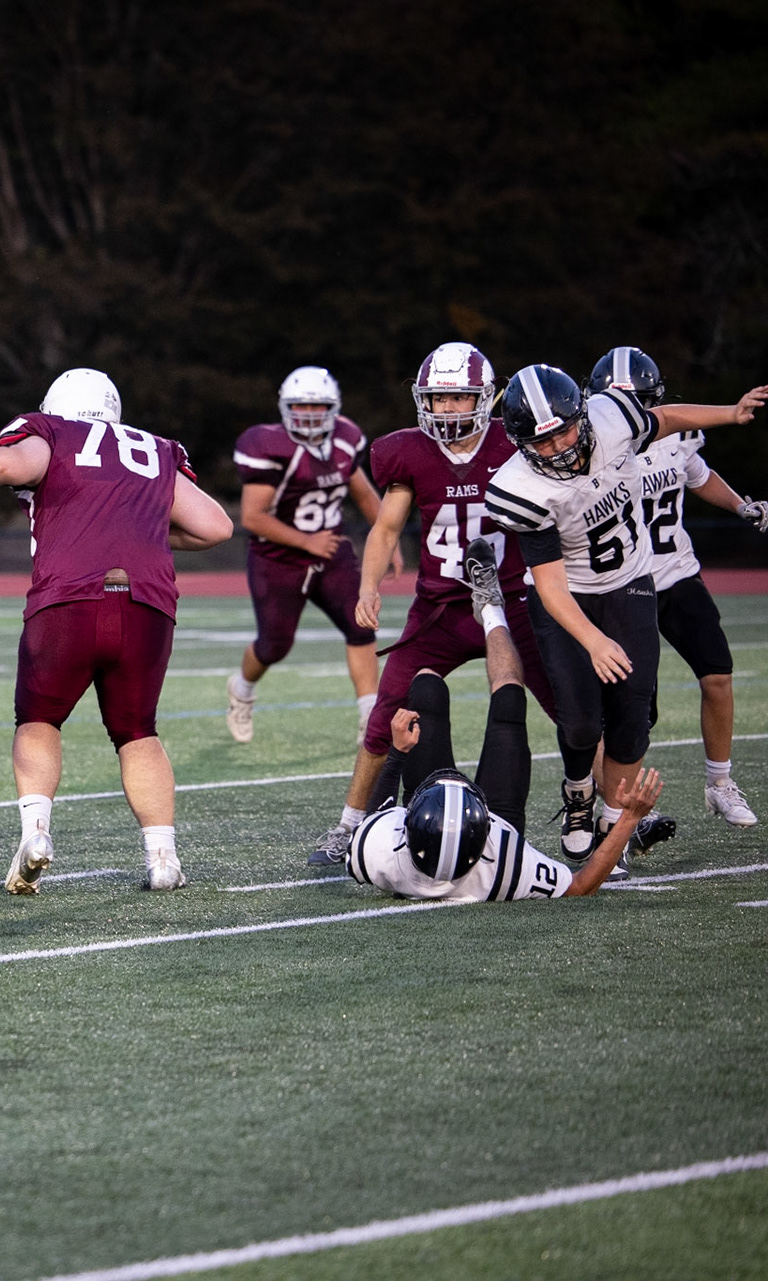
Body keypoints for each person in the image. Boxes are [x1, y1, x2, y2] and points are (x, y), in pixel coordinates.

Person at [0, 367, 234, 894]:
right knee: (138, 731)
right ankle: (163, 857)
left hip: (71, 599)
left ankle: (35, 834)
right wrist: (144, 531)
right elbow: (216, 526)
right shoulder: (156, 448)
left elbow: (8, 463)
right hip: (146, 604)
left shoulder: (53, 431)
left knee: (38, 719)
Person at [484, 364, 766, 861]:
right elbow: (550, 586)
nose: (558, 447)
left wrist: (731, 412)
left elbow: (667, 418)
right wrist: (594, 640)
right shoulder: (521, 489)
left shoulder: (612, 416)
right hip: (567, 597)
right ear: (520, 443)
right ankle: (578, 793)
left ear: (581, 414)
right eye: (541, 442)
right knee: (580, 723)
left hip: (630, 583)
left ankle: (611, 829)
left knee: (633, 718)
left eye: (564, 431)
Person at [308, 343, 558, 865]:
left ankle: (609, 814)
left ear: (484, 398)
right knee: (384, 714)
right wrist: (368, 587)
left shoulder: (516, 444)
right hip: (439, 611)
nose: (446, 408)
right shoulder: (410, 452)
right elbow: (385, 529)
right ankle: (348, 825)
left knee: (572, 708)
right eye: (438, 398)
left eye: (458, 397)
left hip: (512, 603)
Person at [348, 539, 669, 900]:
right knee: (510, 696)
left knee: (425, 685)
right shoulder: (502, 864)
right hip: (496, 817)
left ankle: (484, 610)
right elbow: (582, 885)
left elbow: (375, 817)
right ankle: (492, 610)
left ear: (405, 834)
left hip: (428, 794)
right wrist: (628, 820)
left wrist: (397, 753)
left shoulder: (378, 854)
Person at [596, 346, 768, 828]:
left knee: (718, 673)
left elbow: (698, 475)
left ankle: (720, 783)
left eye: (639, 401)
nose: (630, 412)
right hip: (625, 584)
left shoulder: (678, 433)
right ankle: (612, 812)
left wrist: (740, 506)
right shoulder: (595, 446)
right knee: (634, 709)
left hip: (677, 572)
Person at [226, 366, 396, 746]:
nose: (308, 414)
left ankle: (370, 715)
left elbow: (363, 492)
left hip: (331, 551)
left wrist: (390, 538)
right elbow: (252, 517)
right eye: (300, 405)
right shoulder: (267, 446)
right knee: (274, 645)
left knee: (361, 624)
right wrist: (306, 542)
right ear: (285, 408)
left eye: (317, 406)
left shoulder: (345, 439)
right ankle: (242, 689)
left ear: (332, 408)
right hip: (277, 558)